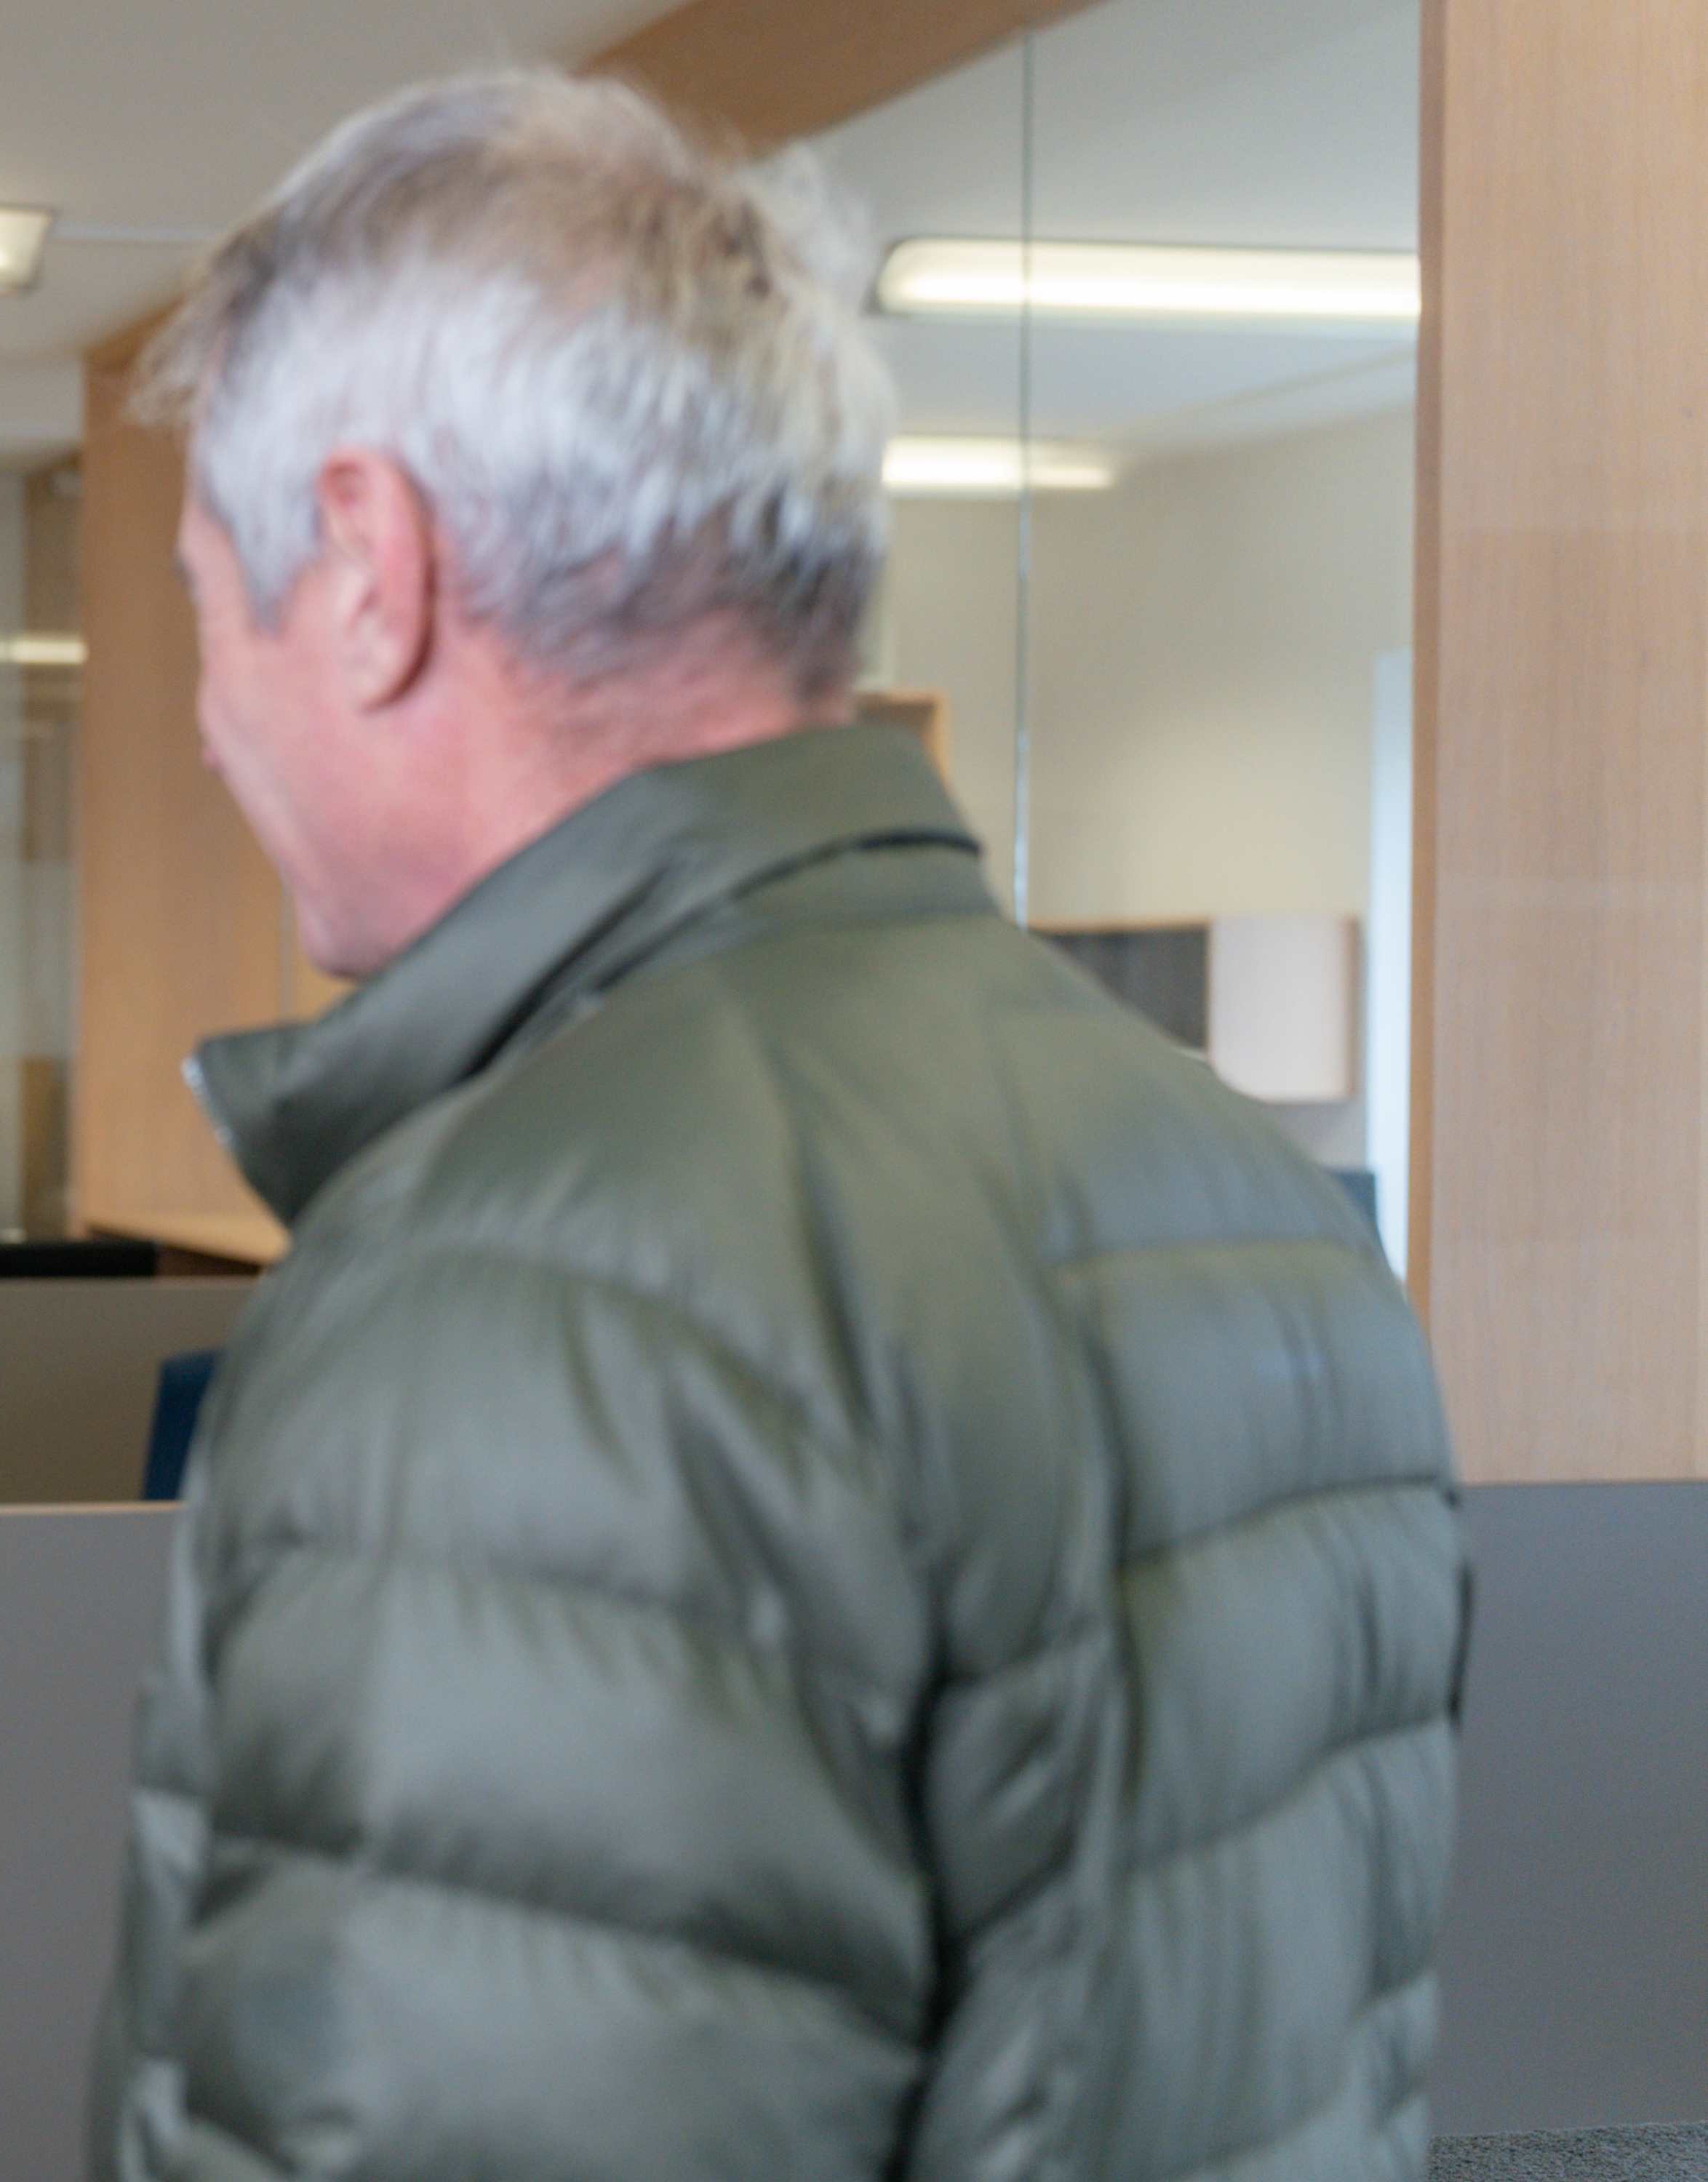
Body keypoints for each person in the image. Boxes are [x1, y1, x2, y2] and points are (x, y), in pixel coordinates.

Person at [92, 70, 1463, 2182]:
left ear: (368, 569)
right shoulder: (1250, 1203)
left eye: (206, 599)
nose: (201, 716)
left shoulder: (538, 1289)